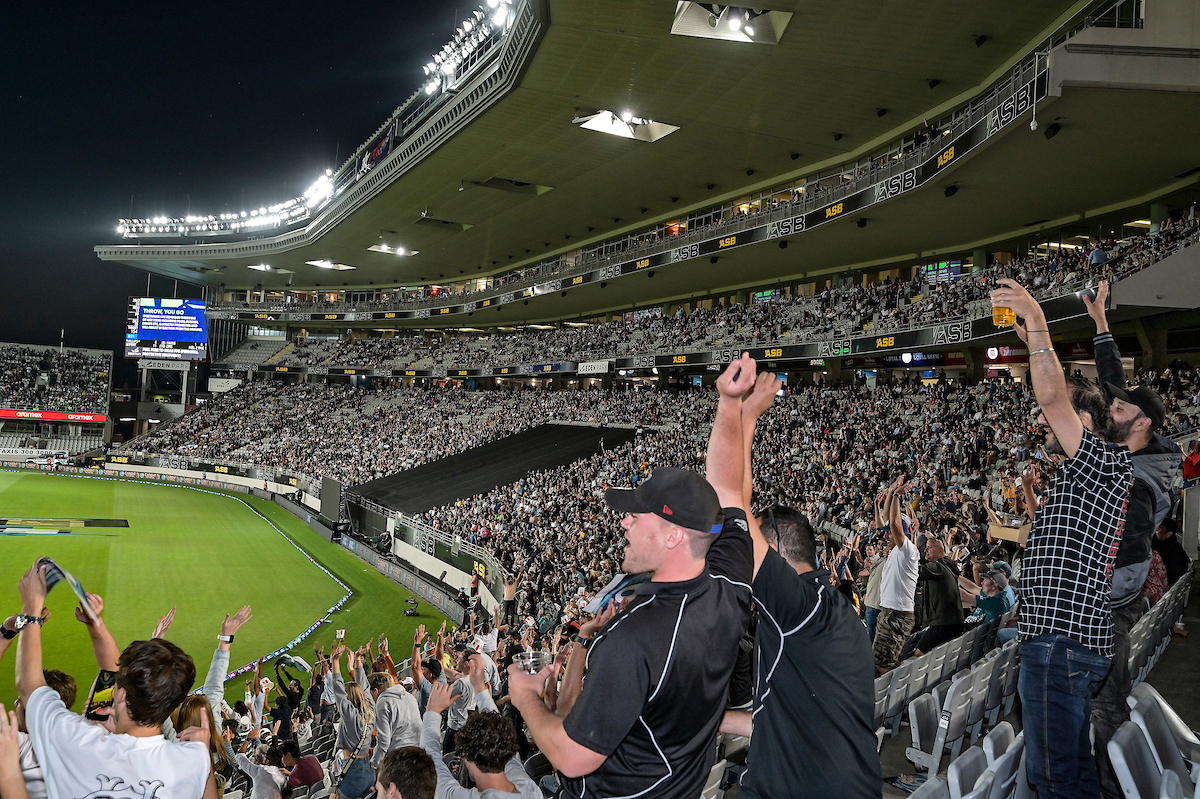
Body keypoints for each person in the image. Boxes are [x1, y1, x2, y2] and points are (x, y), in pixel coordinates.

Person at [507, 354, 755, 799]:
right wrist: (729, 404)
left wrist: (525, 696)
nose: (623, 522)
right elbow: (730, 491)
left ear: (675, 536)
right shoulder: (731, 586)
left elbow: (571, 755)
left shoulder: (634, 639)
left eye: (637, 516)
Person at [991, 278, 1134, 799]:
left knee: (1053, 779)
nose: (1048, 418)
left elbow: (1051, 395)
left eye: (1069, 413)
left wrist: (1036, 322)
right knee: (1071, 773)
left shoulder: (1101, 462)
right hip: (1066, 644)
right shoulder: (1085, 473)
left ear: (1087, 423)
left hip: (1061, 646)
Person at [717, 369, 881, 799]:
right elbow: (775, 717)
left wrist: (742, 413)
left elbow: (727, 501)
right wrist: (710, 717)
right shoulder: (834, 610)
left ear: (774, 553)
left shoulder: (799, 610)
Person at [1084, 280, 1183, 799]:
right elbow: (1116, 386)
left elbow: (1131, 564)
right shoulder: (1149, 445)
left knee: (1105, 703)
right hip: (1114, 600)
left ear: (1141, 422)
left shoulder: (1139, 480)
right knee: (1101, 700)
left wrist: (1093, 599)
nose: (1109, 412)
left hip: (1112, 606)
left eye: (1120, 412)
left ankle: (1109, 789)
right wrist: (1101, 322)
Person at [13, 560, 217, 798]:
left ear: (120, 695)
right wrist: (95, 625)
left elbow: (29, 686)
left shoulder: (74, 740)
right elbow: (113, 671)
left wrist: (31, 608)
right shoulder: (192, 761)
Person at [422, 681, 540, 799]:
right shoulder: (529, 787)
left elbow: (430, 761)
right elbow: (510, 756)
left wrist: (432, 711)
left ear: (467, 757)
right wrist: (480, 688)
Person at [872, 476, 919, 674]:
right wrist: (890, 493)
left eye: (888, 534)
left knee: (884, 665)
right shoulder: (899, 551)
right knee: (883, 660)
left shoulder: (906, 551)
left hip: (896, 615)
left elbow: (895, 525)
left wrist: (898, 497)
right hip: (892, 613)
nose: (885, 536)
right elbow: (886, 523)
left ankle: (894, 702)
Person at [324, 643, 375, 799]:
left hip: (354, 772)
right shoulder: (371, 711)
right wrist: (358, 661)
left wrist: (336, 662)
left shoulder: (351, 716)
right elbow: (364, 687)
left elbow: (338, 690)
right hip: (368, 769)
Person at [914, 535, 964, 655]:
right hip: (953, 621)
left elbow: (916, 572)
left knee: (918, 654)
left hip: (944, 622)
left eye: (929, 547)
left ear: (940, 550)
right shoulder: (947, 563)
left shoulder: (938, 567)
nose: (926, 550)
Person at [368, 670, 422, 770]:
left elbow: (384, 741)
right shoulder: (410, 697)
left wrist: (374, 763)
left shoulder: (383, 703)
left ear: (376, 691)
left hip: (398, 757)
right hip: (417, 751)